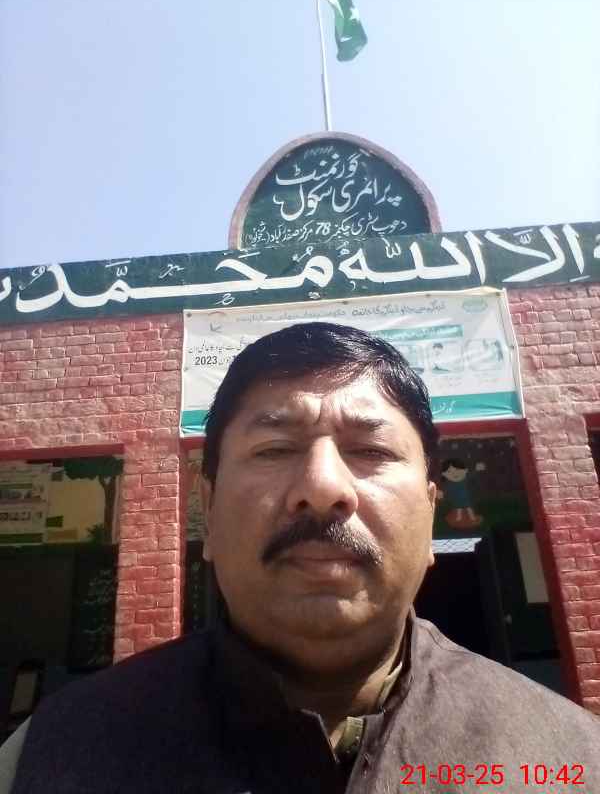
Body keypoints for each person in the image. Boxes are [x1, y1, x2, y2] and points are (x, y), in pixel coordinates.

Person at [1, 322, 599, 793]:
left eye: (370, 450)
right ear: (208, 511)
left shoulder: (569, 757)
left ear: (431, 510)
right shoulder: (45, 757)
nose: (322, 486)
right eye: (274, 449)